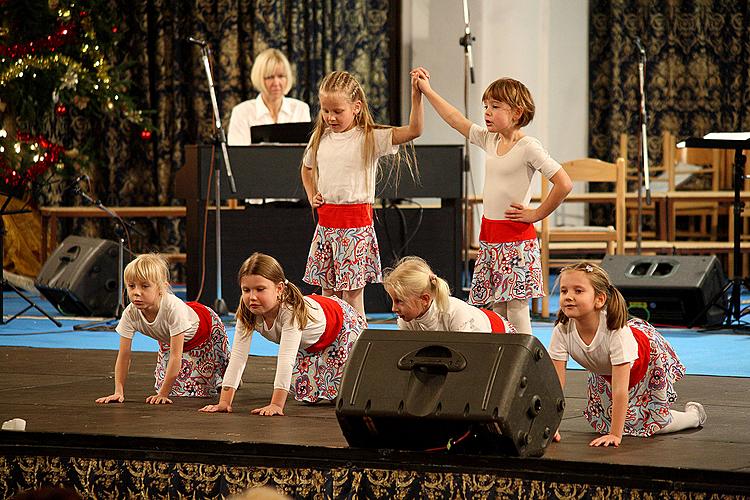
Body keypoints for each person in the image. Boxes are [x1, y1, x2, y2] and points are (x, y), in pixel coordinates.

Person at [411, 67, 572, 336]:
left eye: (495, 106)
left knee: (517, 309)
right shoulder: (490, 140)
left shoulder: (528, 147)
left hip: (516, 239)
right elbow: (455, 120)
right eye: (485, 106)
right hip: (491, 236)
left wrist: (536, 214)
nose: (486, 112)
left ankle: (523, 363)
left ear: (517, 113)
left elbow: (564, 183)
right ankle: (501, 360)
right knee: (497, 308)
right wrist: (427, 91)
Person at [300, 70, 423, 319]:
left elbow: (414, 130)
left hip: (355, 228)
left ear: (356, 107)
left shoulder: (369, 137)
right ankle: (331, 344)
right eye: (325, 110)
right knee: (328, 294)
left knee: (352, 295)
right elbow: (307, 167)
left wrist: (416, 96)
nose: (330, 117)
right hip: (326, 227)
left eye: (337, 111)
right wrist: (313, 193)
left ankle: (357, 346)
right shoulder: (320, 137)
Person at [549, 262, 706, 447]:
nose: (568, 297)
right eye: (564, 291)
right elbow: (555, 385)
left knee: (652, 424)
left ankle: (694, 416)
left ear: (599, 299)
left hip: (645, 360)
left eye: (578, 291)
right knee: (605, 424)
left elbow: (620, 390)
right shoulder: (562, 330)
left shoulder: (615, 332)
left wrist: (616, 435)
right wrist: (551, 426)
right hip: (605, 368)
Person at [199, 252, 366, 416]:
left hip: (342, 324)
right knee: (313, 396)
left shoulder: (290, 311)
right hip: (310, 344)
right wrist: (224, 402)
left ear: (279, 288)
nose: (252, 297)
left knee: (346, 395)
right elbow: (238, 357)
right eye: (246, 290)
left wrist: (276, 404)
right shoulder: (247, 313)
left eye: (260, 289)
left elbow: (286, 358)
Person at [95, 254, 229, 405]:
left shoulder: (173, 308)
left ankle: (222, 375)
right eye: (131, 286)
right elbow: (124, 355)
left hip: (206, 329)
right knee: (174, 389)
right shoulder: (130, 313)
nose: (136, 292)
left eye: (145, 286)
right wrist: (118, 391)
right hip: (169, 340)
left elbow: (176, 356)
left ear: (161, 288)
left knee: (218, 376)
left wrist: (163, 394)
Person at [383, 256, 516, 333]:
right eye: (393, 301)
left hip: (500, 333)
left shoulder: (453, 313)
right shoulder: (406, 320)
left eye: (400, 301)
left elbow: (468, 354)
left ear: (424, 299)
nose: (393, 309)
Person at [227, 48, 311, 145]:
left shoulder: (300, 109)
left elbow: (305, 153)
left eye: (281, 76)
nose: (276, 83)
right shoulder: (242, 112)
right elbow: (238, 155)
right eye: (270, 77)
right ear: (259, 78)